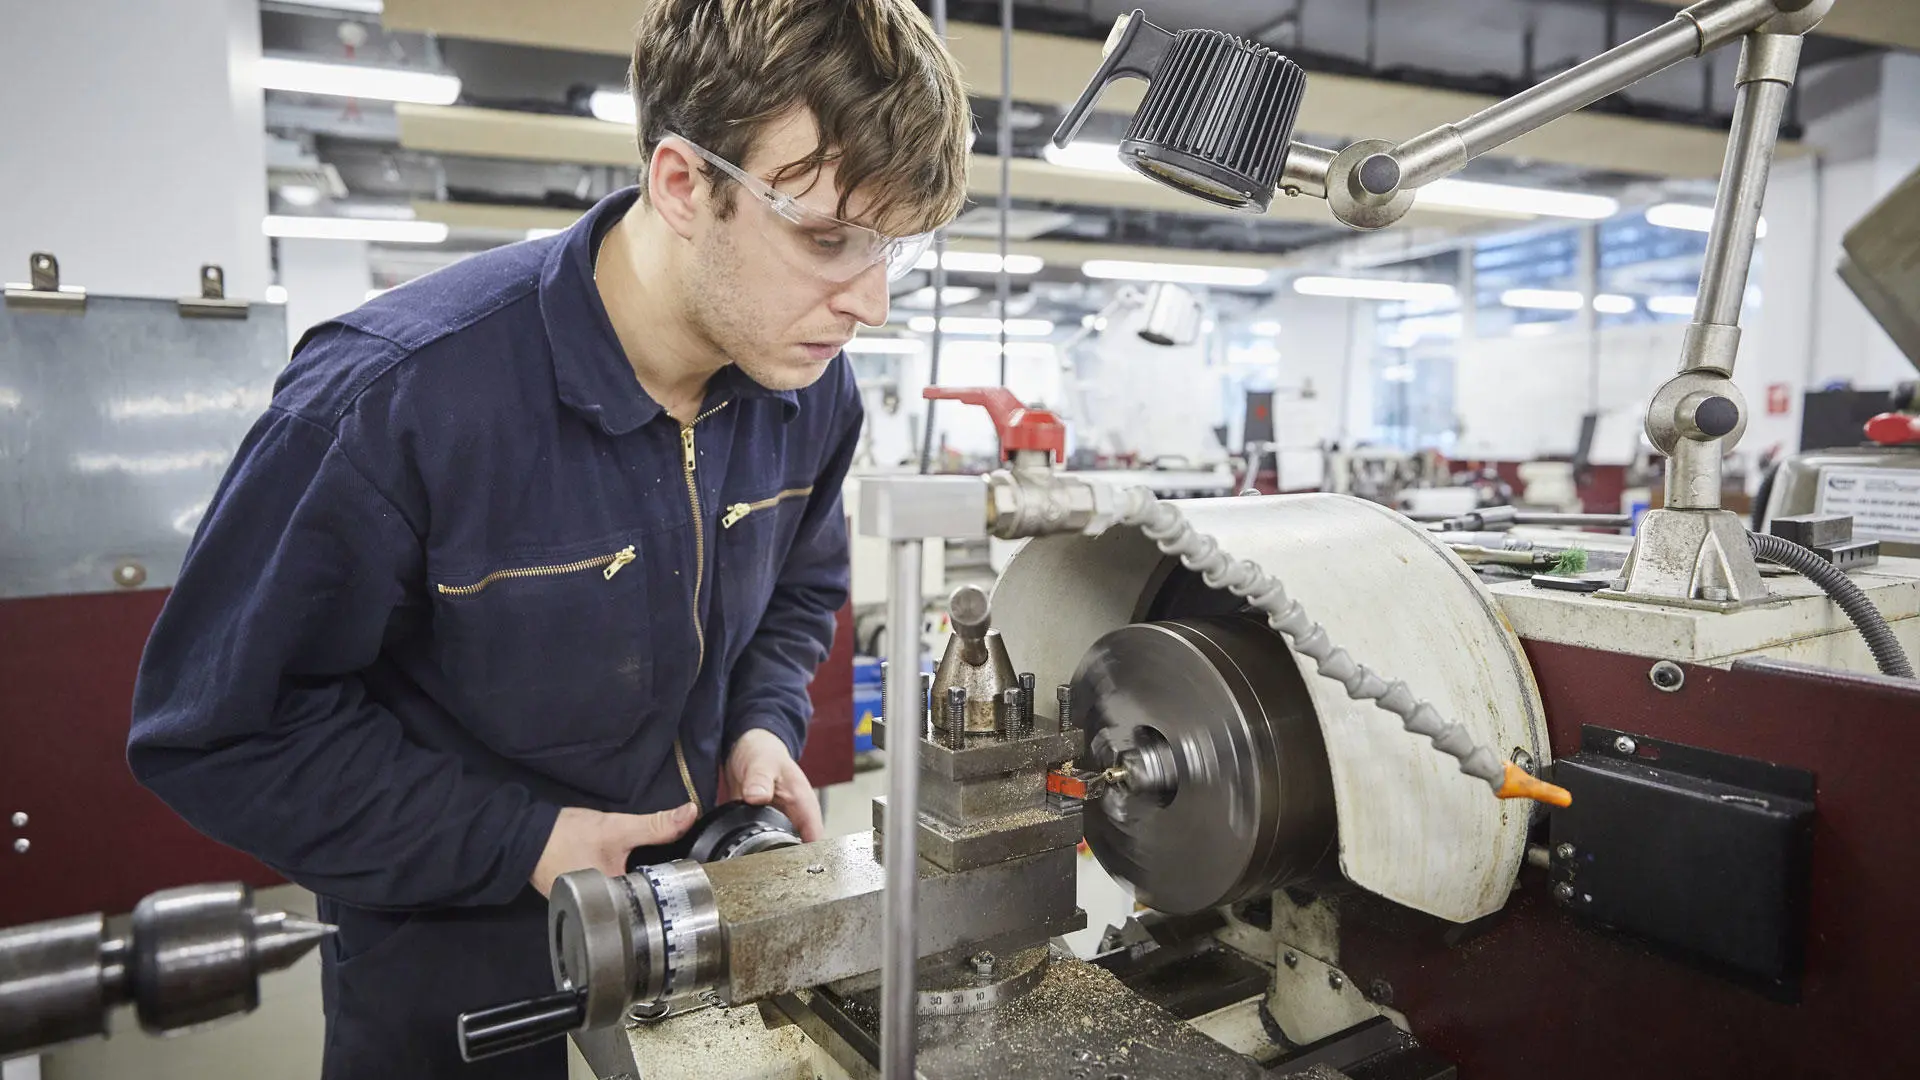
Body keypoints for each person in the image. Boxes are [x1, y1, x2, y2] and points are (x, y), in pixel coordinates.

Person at [126, 1, 970, 1075]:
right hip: (453, 968)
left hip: (698, 932)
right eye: (826, 238)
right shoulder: (394, 400)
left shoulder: (806, 385)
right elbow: (221, 731)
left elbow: (803, 593)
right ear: (682, 185)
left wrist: (763, 722)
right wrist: (519, 842)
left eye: (896, 249)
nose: (875, 305)